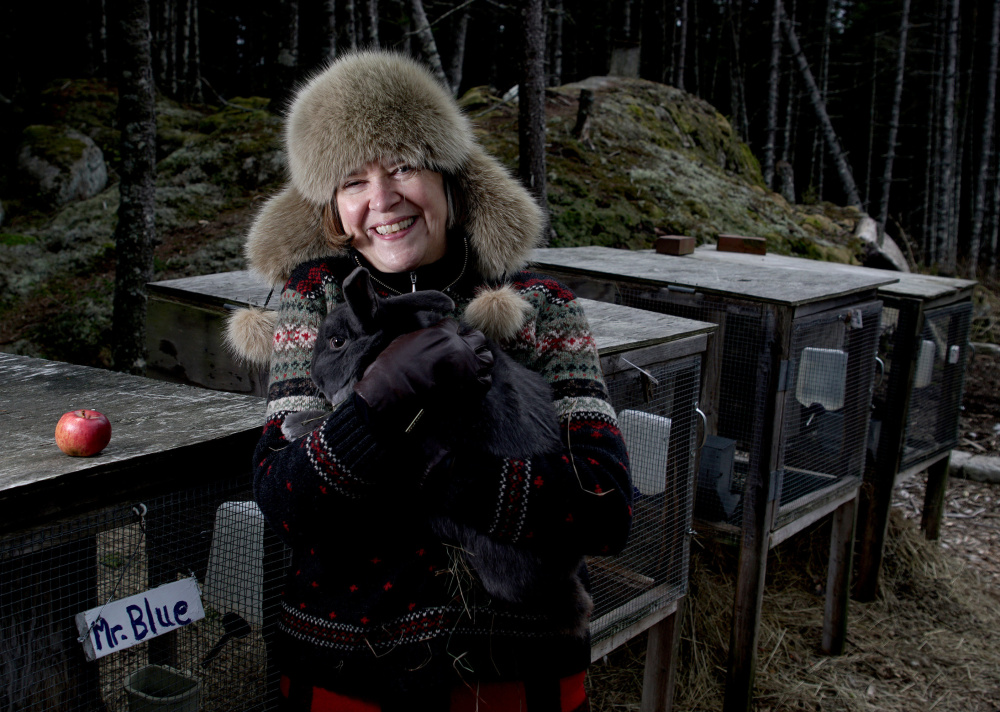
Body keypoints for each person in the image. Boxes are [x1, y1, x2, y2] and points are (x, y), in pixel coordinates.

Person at [225, 49, 633, 711]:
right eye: (352, 180)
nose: (382, 199)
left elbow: (605, 507)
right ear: (331, 207)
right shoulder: (317, 303)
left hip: (513, 677)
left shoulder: (543, 307)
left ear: (450, 178)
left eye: (404, 166)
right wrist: (377, 402)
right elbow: (287, 498)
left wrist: (442, 469)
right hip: (347, 675)